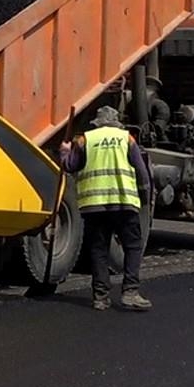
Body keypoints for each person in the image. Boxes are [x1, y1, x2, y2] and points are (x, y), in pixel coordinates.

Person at [59, 105, 152, 312]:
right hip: (124, 203)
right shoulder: (126, 139)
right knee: (132, 247)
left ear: (97, 123)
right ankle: (130, 292)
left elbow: (70, 166)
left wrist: (64, 152)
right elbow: (141, 172)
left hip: (95, 205)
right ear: (116, 121)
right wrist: (144, 198)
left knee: (99, 249)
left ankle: (100, 297)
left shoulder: (86, 140)